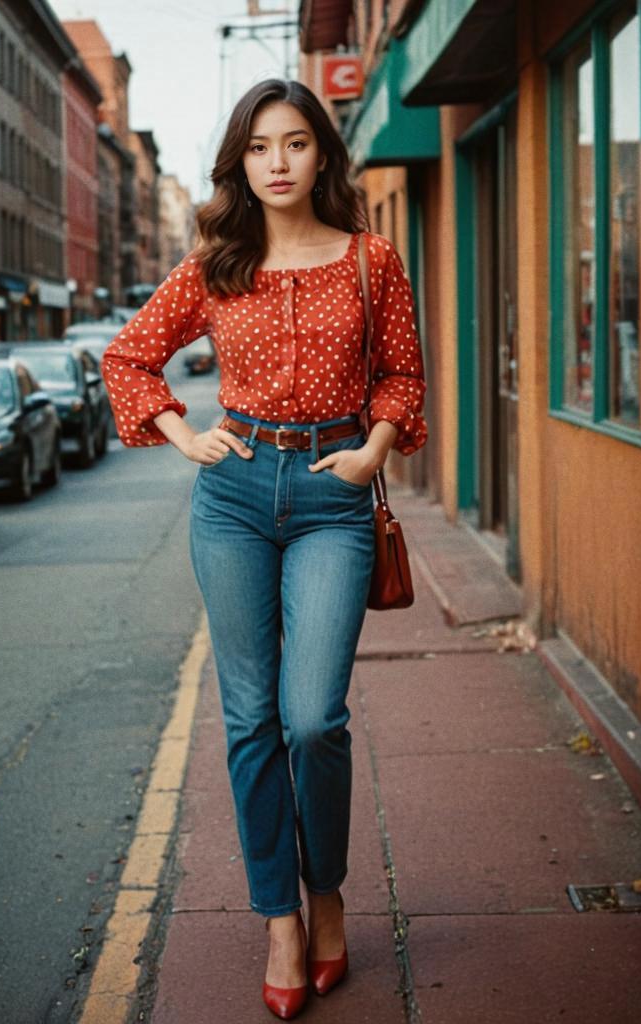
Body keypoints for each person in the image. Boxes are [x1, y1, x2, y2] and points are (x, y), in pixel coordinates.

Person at [101, 78, 428, 1020]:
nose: (277, 162)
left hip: (333, 499)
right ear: (240, 162)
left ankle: (327, 892)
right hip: (234, 499)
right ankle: (281, 917)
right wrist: (181, 433)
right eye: (259, 147)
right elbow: (129, 356)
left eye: (294, 143)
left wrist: (370, 451)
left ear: (322, 153)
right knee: (249, 718)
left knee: (313, 717)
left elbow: (403, 373)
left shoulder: (373, 259)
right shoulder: (217, 263)